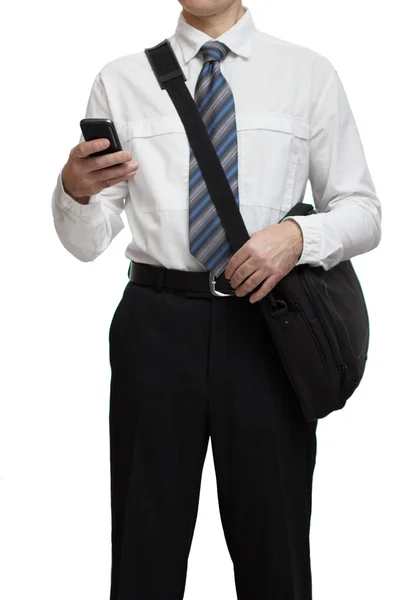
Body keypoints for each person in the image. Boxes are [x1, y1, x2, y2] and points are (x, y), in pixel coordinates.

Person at [51, 2, 382, 599]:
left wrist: (297, 237)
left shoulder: (307, 73)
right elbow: (87, 241)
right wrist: (72, 193)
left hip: (267, 325)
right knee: (144, 552)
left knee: (274, 551)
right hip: (155, 325)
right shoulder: (121, 79)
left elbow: (362, 211)